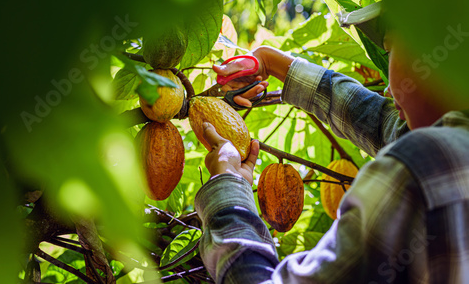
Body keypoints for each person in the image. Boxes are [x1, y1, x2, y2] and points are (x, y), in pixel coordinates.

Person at [194, 25, 469, 283]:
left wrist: (228, 186)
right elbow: (376, 121)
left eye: (389, 48)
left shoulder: (417, 168)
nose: (385, 88)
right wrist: (271, 63)